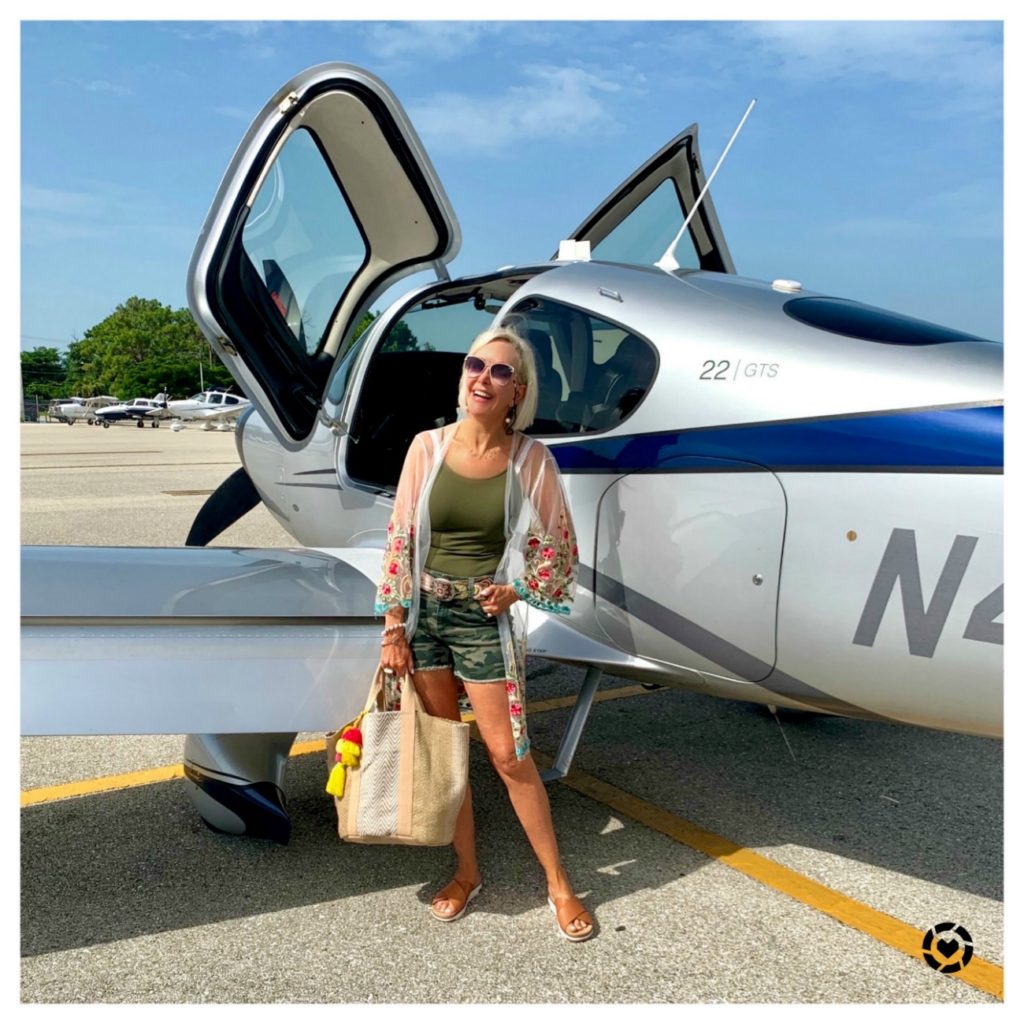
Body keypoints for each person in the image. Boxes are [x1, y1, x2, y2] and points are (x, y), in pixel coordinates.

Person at [375, 325, 594, 942]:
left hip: (481, 619)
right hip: (422, 620)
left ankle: (558, 884)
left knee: (509, 754)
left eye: (499, 372)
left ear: (516, 390)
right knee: (449, 754)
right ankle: (467, 872)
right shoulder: (427, 447)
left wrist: (519, 589)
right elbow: (400, 541)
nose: (482, 377)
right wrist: (393, 626)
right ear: (462, 375)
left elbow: (559, 548)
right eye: (475, 364)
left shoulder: (531, 459)